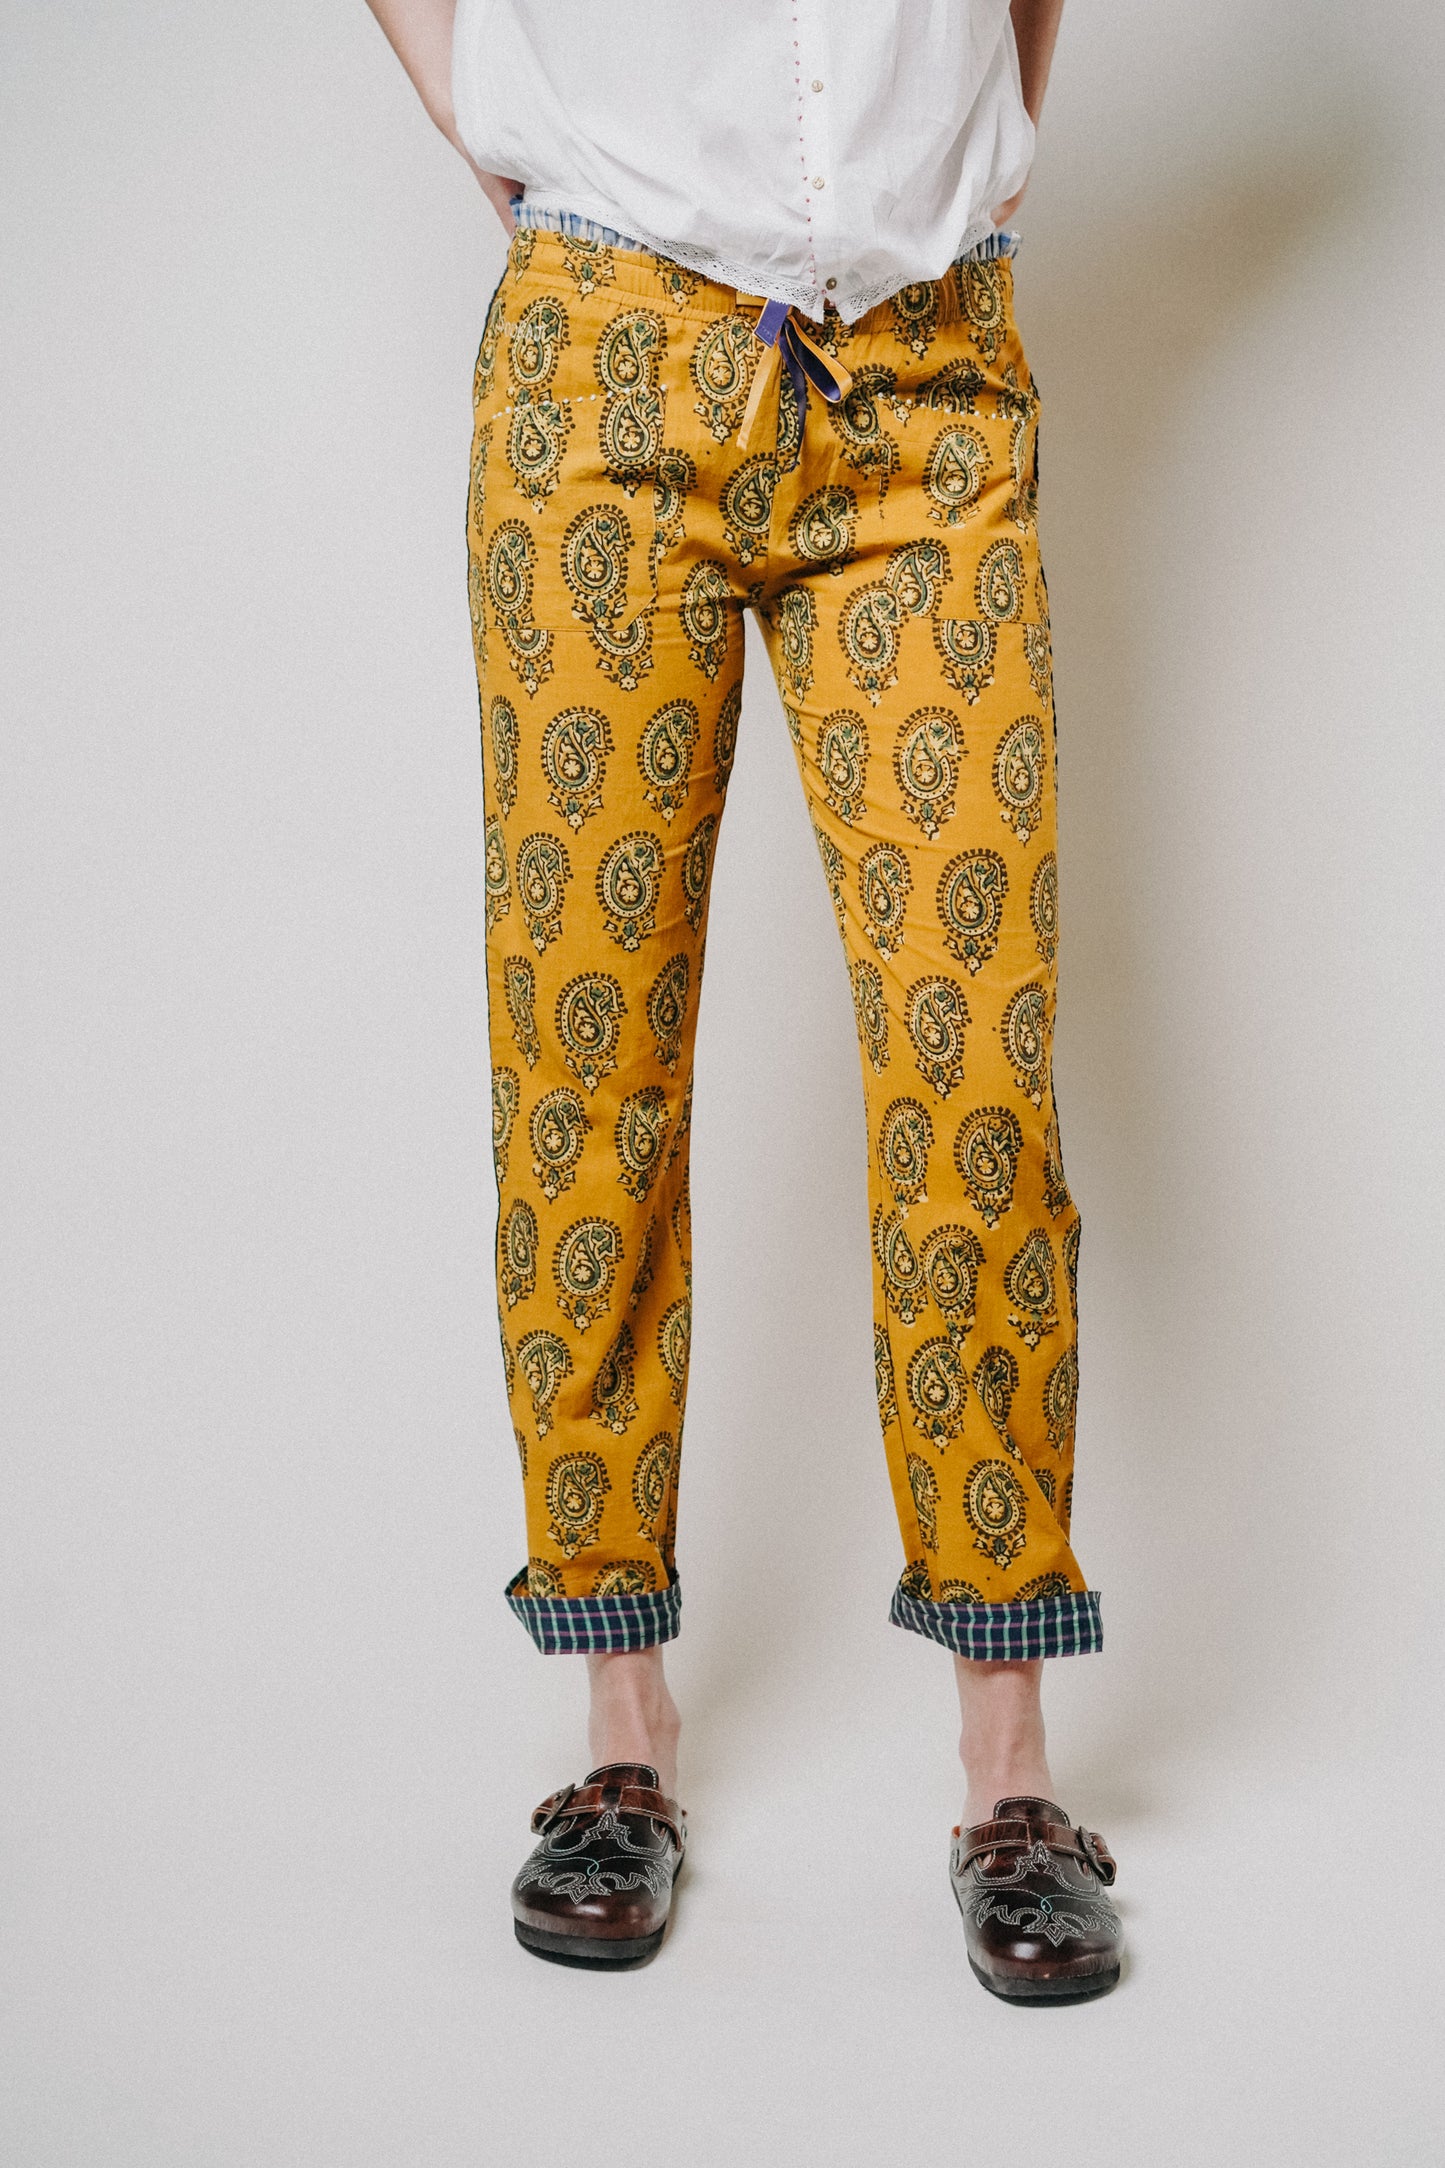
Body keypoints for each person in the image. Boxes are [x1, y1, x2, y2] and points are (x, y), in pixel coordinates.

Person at [365, 0, 1124, 1999]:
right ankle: (619, 1726)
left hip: (928, 369)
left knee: (975, 1065)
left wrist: (981, 126)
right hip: (603, 359)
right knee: (585, 1054)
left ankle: (1010, 1772)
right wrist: (473, 100)